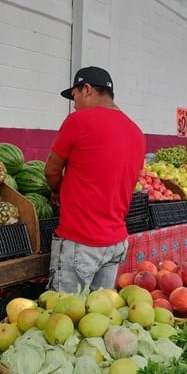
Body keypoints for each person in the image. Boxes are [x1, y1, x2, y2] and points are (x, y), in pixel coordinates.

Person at [44, 66, 146, 293]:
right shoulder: (137, 132)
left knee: (63, 317)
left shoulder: (78, 121)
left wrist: (57, 191)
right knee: (98, 317)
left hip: (80, 241)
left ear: (87, 89)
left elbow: (51, 171)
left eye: (75, 95)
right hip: (116, 243)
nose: (74, 103)